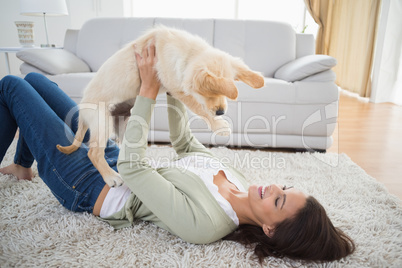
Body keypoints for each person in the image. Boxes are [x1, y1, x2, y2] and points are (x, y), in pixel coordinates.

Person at [0, 44, 355, 263]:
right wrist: (172, 86)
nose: (273, 188)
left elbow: (134, 167)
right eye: (285, 188)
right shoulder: (240, 183)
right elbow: (184, 144)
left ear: (269, 230)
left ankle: (22, 160)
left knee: (12, 86)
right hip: (107, 157)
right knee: (37, 82)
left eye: (278, 201)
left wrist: (149, 92)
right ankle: (21, 164)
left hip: (88, 186)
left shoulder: (206, 225)